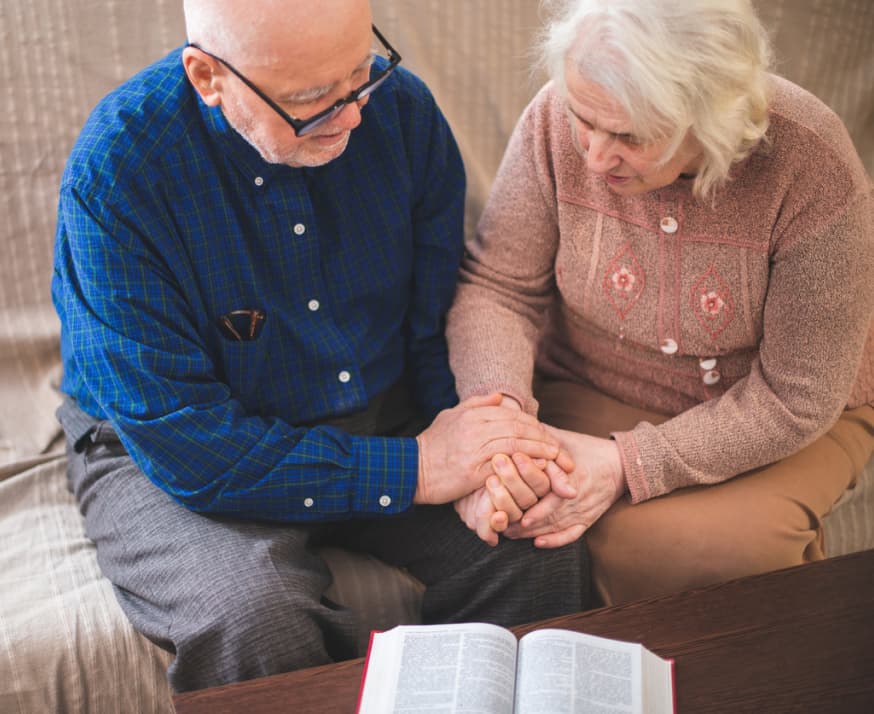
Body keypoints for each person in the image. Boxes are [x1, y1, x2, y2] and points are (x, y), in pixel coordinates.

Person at [50, 0, 589, 692]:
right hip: (168, 449)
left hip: (381, 404)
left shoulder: (401, 112)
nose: (352, 116)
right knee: (253, 614)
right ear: (208, 77)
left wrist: (489, 456)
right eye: (310, 102)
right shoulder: (118, 171)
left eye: (360, 75)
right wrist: (417, 470)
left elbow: (434, 324)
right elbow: (183, 438)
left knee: (535, 541)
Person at [447, 0, 874, 606]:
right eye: (584, 120)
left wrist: (629, 463)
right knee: (521, 512)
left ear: (713, 118)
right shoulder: (554, 119)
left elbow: (798, 396)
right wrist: (503, 423)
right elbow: (499, 287)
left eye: (631, 137)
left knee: (701, 551)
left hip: (773, 415)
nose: (594, 157)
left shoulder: (811, 165)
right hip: (588, 385)